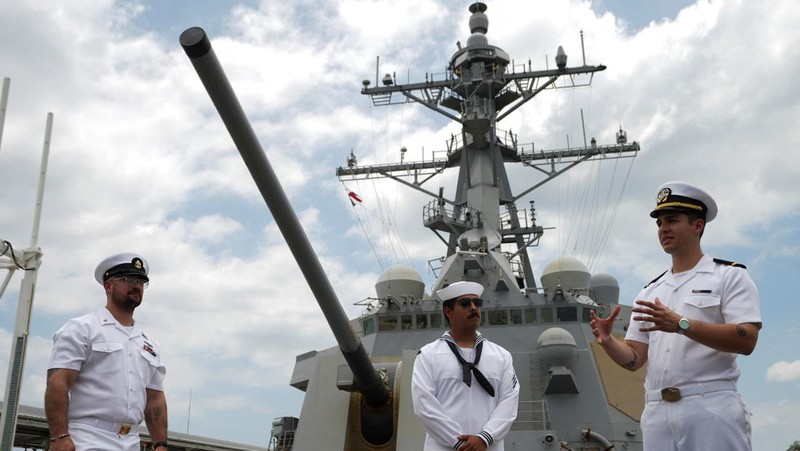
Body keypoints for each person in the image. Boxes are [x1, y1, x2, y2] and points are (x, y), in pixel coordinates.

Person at [590, 181, 761, 450]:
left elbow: (746, 340)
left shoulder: (729, 276)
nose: (663, 229)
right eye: (659, 223)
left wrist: (681, 324)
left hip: (710, 406)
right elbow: (635, 359)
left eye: (672, 220)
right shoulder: (649, 291)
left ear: (698, 225)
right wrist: (609, 341)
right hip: (657, 412)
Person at [45, 253, 168, 451]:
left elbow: (154, 398)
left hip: (132, 441)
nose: (136, 286)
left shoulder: (150, 345)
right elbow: (58, 382)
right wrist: (59, 436)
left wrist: (161, 445)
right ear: (108, 286)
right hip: (88, 437)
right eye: (129, 280)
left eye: (141, 282)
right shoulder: (82, 328)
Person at [412, 281, 519, 451]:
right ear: (448, 312)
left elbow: (509, 402)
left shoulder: (501, 356)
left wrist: (485, 438)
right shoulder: (428, 355)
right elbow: (424, 405)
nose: (473, 308)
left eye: (477, 303)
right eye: (465, 303)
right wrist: (459, 443)